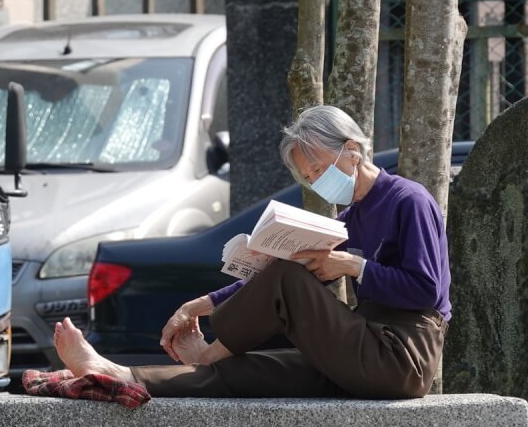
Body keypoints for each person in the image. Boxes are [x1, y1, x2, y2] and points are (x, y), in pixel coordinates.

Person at [53, 105, 451, 399]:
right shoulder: (353, 213)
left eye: (318, 169)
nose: (316, 181)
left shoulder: (408, 200)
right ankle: (119, 373)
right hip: (365, 342)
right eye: (309, 177)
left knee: (287, 276)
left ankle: (209, 353)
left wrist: (353, 265)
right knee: (251, 370)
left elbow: (426, 292)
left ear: (351, 149)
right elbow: (281, 278)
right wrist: (201, 304)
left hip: (401, 357)